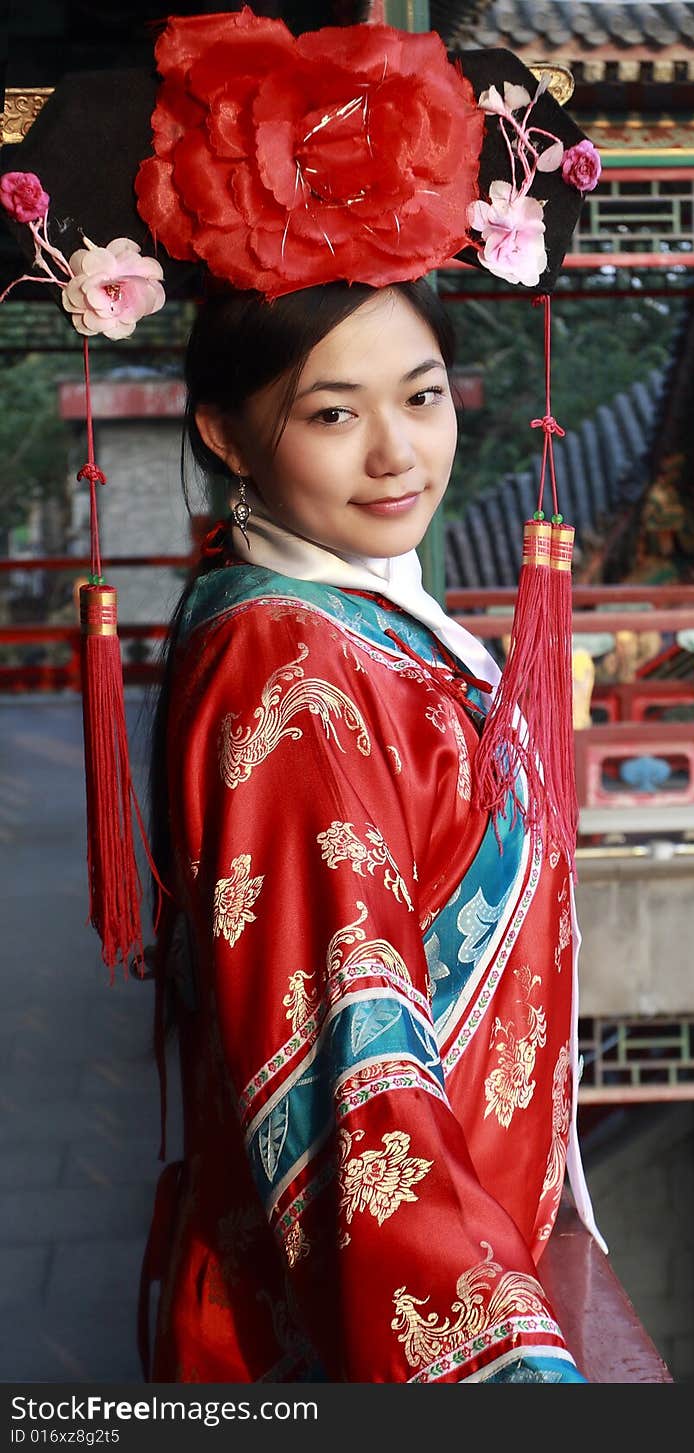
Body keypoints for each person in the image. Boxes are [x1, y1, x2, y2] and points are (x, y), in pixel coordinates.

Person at [1, 7, 605, 1385]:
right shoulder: (295, 676)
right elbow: (353, 1082)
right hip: (352, 1328)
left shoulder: (329, 616)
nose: (401, 453)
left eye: (426, 395)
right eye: (335, 412)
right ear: (228, 430)